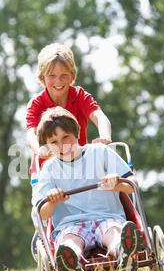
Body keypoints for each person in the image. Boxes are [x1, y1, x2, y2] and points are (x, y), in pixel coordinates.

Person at [33, 107, 143, 271]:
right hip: (71, 224)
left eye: (66, 137)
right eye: (53, 142)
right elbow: (42, 214)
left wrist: (118, 183)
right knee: (70, 240)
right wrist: (51, 202)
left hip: (107, 217)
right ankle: (72, 263)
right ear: (47, 146)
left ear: (76, 133)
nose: (62, 146)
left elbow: (133, 185)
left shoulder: (100, 152)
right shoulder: (50, 169)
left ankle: (124, 253)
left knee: (114, 232)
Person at [26, 43, 112, 190]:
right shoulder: (37, 103)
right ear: (42, 78)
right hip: (49, 168)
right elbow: (30, 134)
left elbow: (99, 116)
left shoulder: (79, 96)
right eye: (52, 76)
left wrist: (105, 136)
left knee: (105, 186)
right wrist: (40, 149)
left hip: (78, 164)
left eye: (63, 75)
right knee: (50, 203)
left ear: (72, 76)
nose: (58, 81)